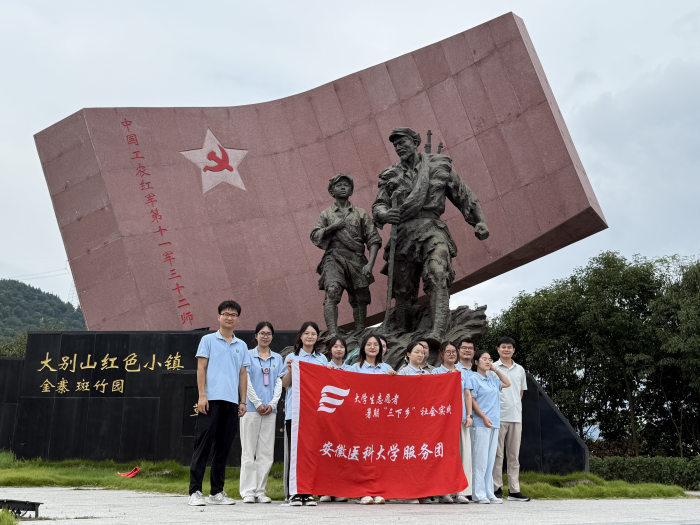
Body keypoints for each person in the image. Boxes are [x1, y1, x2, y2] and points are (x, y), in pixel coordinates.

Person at [372, 127, 489, 345]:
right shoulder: (390, 175)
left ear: (415, 142)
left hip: (432, 229)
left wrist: (479, 221)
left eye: (402, 142)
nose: (398, 148)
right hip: (404, 234)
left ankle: (438, 332)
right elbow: (378, 205)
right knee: (403, 290)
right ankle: (401, 336)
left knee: (437, 273)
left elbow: (464, 195)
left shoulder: (438, 166)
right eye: (395, 145)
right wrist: (386, 214)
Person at [188, 300, 251, 506]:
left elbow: (243, 374)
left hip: (231, 402)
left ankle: (216, 492)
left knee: (223, 448)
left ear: (238, 319)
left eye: (233, 315)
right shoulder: (208, 340)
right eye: (226, 314)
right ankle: (195, 491)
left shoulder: (242, 345)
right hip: (211, 400)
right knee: (203, 446)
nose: (229, 317)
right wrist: (202, 396)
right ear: (219, 317)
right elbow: (201, 368)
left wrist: (243, 401)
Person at [311, 173, 382, 335]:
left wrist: (370, 264)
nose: (343, 187)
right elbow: (315, 235)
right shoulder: (326, 214)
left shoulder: (360, 213)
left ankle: (360, 332)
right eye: (339, 185)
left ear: (351, 190)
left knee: (360, 297)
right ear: (332, 191)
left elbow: (373, 239)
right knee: (332, 290)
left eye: (346, 185)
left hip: (356, 258)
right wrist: (333, 227)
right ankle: (333, 334)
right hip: (334, 257)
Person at [281, 321, 328, 507]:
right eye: (306, 333)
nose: (310, 336)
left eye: (313, 334)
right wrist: (290, 370)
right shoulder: (292, 357)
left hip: (315, 414)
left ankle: (307, 492)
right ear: (300, 336)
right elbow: (285, 384)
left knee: (311, 454)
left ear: (317, 337)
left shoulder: (322, 359)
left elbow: (326, 383)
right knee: (294, 453)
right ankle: (294, 493)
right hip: (295, 413)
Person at [240, 322, 286, 504]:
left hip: (270, 411)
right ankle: (248, 491)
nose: (265, 336)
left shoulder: (277, 358)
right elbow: (246, 380)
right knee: (249, 450)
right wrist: (257, 403)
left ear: (272, 337)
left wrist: (273, 403)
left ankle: (260, 490)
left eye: (268, 334)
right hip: (251, 410)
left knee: (266, 452)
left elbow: (279, 382)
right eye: (262, 333)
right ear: (256, 336)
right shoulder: (247, 355)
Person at [349, 333, 397, 505]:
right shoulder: (354, 368)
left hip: (380, 419)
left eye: (375, 344)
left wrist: (394, 378)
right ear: (363, 347)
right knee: (362, 455)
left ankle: (378, 490)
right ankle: (362, 493)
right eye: (368, 344)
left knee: (379, 454)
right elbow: (344, 386)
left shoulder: (386, 368)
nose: (372, 347)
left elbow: (394, 394)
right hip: (360, 419)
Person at [489, 337, 531, 502]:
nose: (506, 350)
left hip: (515, 417)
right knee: (497, 455)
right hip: (498, 417)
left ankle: (514, 490)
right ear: (498, 349)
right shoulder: (492, 368)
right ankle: (496, 488)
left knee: (514, 456)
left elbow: (521, 392)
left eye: (509, 347)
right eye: (503, 347)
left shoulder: (519, 369)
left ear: (514, 350)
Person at [432, 341, 473, 504]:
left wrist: (469, 415)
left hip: (461, 420)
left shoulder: (463, 372)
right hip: (443, 421)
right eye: (447, 352)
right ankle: (444, 491)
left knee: (463, 455)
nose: (451, 354)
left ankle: (461, 491)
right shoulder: (436, 372)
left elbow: (467, 395)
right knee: (444, 456)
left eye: (453, 352)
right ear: (442, 354)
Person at [470, 349, 511, 504]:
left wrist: (496, 369)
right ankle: (478, 494)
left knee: (489, 461)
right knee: (480, 460)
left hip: (494, 423)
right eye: (484, 359)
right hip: (481, 423)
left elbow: (507, 383)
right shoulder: (473, 378)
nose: (488, 361)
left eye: (490, 359)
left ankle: (489, 492)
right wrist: (483, 417)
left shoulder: (492, 380)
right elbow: (472, 401)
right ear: (476, 362)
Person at [455, 338, 477, 501]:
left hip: (478, 421)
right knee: (461, 455)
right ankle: (459, 490)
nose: (467, 350)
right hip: (461, 420)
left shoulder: (479, 370)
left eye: (470, 348)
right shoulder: (454, 370)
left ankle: (475, 490)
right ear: (458, 351)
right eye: (464, 348)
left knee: (475, 457)